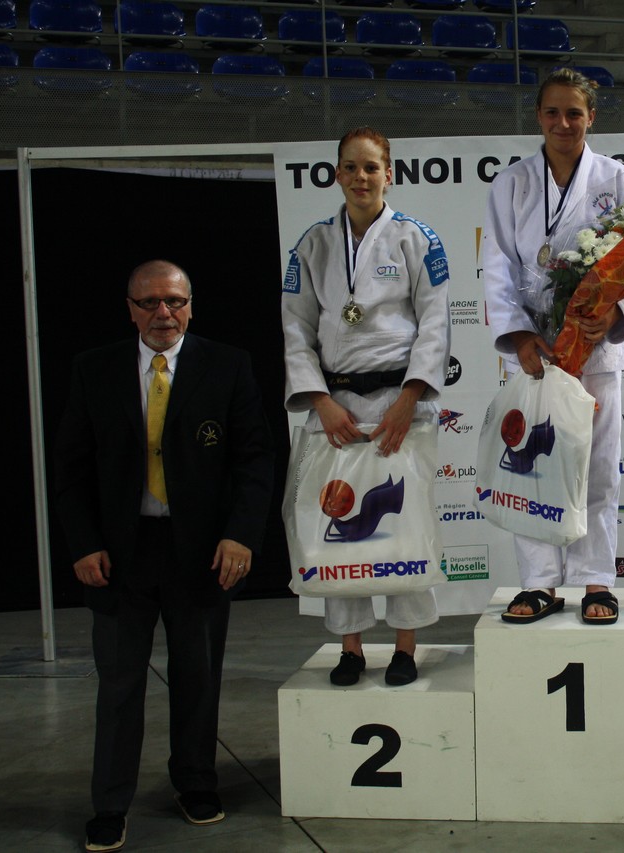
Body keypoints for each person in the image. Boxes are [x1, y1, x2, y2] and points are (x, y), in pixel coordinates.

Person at [54, 260, 273, 852]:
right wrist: (84, 543)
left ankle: (196, 783)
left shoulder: (227, 366)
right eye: (149, 302)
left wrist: (241, 535)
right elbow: (70, 469)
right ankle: (110, 804)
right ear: (130, 310)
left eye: (174, 301)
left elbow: (254, 460)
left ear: (190, 306)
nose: (163, 313)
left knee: (197, 677)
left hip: (201, 554)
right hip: (118, 556)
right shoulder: (94, 369)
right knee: (119, 685)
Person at [282, 127, 451, 687]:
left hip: (400, 401)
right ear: (337, 174)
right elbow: (296, 328)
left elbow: (435, 323)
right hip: (336, 404)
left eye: (371, 167)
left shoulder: (416, 238)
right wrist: (320, 401)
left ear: (389, 174)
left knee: (404, 522)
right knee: (337, 514)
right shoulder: (312, 244)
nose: (361, 177)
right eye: (351, 167)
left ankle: (405, 646)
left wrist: (410, 397)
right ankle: (351, 648)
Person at [482, 68, 624, 625]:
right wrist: (519, 336)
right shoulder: (512, 183)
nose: (563, 122)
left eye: (574, 112)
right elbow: (497, 265)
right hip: (535, 352)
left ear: (591, 117)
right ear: (538, 116)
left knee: (597, 467)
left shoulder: (617, 179)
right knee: (529, 464)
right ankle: (539, 582)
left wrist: (615, 312)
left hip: (595, 349)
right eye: (552, 112)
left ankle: (597, 578)